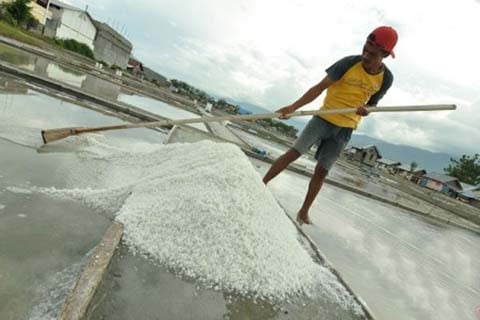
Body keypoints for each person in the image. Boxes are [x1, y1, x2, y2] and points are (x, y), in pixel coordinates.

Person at [263, 26, 398, 225]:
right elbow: (319, 88)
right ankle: (261, 183)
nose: (366, 56)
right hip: (323, 118)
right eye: (365, 49)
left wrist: (366, 109)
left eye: (372, 53)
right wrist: (293, 106)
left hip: (346, 127)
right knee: (294, 152)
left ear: (385, 54)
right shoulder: (349, 63)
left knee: (323, 170)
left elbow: (373, 104)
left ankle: (304, 211)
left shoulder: (386, 79)